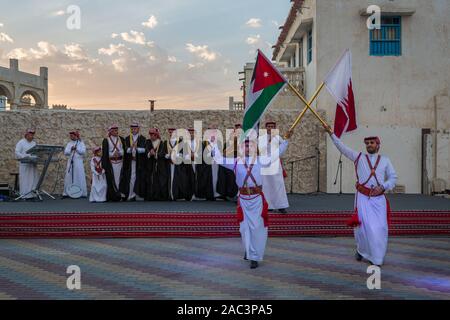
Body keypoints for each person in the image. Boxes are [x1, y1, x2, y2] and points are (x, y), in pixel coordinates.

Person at [211, 130, 292, 269]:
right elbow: (219, 159)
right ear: (242, 148)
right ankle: (249, 251)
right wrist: (213, 144)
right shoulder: (235, 162)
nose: (248, 148)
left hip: (257, 201)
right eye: (246, 146)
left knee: (257, 228)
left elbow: (276, 154)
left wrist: (286, 140)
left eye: (251, 146)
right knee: (244, 229)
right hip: (243, 200)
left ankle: (255, 257)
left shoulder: (261, 160)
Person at [323, 123, 397, 266]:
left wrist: (384, 187)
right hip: (362, 198)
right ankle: (363, 251)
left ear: (378, 145)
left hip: (379, 199)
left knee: (380, 228)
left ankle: (377, 256)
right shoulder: (359, 157)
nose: (369, 145)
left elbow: (393, 177)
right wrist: (331, 133)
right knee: (363, 229)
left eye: (372, 143)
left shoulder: (386, 160)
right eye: (367, 143)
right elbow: (342, 148)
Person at [261, 121, 289, 213]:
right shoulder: (261, 138)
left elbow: (283, 147)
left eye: (272, 126)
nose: (270, 128)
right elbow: (260, 150)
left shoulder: (278, 138)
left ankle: (281, 206)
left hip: (275, 164)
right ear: (266, 128)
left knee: (278, 185)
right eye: (268, 126)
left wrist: (288, 137)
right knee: (266, 186)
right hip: (265, 165)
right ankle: (268, 205)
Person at [166, 128, 194, 201]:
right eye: (170, 132)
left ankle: (175, 195)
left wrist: (178, 155)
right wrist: (167, 156)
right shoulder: (166, 142)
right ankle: (170, 195)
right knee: (170, 179)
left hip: (179, 165)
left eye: (172, 132)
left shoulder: (181, 142)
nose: (171, 134)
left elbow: (184, 153)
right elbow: (163, 152)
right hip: (169, 164)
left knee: (178, 180)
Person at [122, 123, 147, 201]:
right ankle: (131, 194)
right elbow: (126, 150)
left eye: (135, 129)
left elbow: (145, 150)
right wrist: (131, 148)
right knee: (131, 178)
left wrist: (137, 148)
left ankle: (138, 194)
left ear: (138, 129)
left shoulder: (143, 138)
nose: (133, 130)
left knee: (139, 178)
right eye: (132, 129)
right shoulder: (127, 139)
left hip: (139, 163)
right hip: (131, 162)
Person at [101, 125, 126, 202]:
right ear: (111, 131)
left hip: (120, 162)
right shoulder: (106, 140)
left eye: (117, 130)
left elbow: (123, 150)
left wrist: (119, 153)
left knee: (119, 178)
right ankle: (114, 195)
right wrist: (112, 154)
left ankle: (120, 194)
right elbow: (105, 153)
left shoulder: (121, 139)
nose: (116, 132)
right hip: (111, 163)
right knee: (112, 179)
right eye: (115, 130)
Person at [145, 128, 170, 201]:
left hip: (159, 165)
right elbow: (146, 151)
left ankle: (160, 196)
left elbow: (162, 153)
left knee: (160, 180)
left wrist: (155, 154)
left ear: (156, 135)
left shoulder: (161, 143)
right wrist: (150, 153)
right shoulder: (148, 142)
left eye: (153, 134)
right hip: (150, 165)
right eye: (150, 134)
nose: (152, 136)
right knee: (151, 180)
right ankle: (150, 196)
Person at [15, 129, 39, 199]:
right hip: (25, 164)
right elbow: (17, 152)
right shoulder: (21, 142)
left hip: (32, 164)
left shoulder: (34, 143)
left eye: (32, 134)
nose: (31, 136)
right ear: (26, 135)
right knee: (25, 179)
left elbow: (36, 152)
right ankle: (25, 195)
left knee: (33, 178)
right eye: (30, 134)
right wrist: (24, 156)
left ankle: (32, 194)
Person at [63, 130, 87, 198]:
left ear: (76, 136)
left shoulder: (81, 143)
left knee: (78, 176)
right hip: (71, 161)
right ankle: (67, 193)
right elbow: (66, 152)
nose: (71, 137)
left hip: (78, 162)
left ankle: (80, 193)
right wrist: (71, 149)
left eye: (72, 135)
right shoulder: (69, 143)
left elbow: (83, 152)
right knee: (69, 176)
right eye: (70, 135)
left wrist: (76, 148)